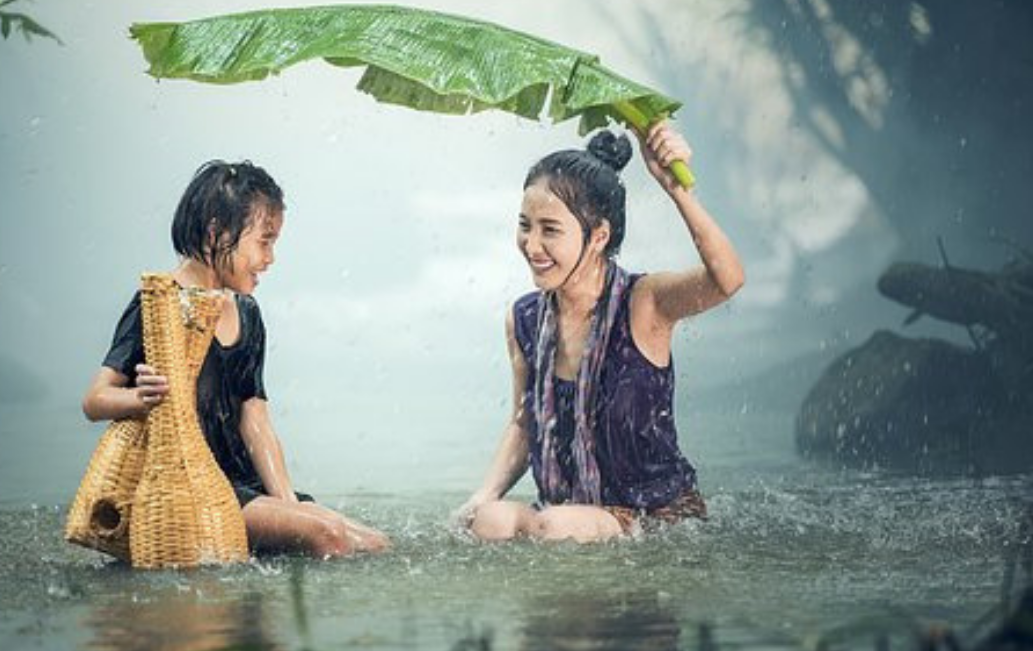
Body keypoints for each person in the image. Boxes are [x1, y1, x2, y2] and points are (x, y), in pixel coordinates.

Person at [82, 160, 390, 559]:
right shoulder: (158, 305)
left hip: (245, 486)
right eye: (265, 241)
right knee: (328, 534)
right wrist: (138, 399)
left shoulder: (247, 313)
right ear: (217, 233)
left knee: (373, 543)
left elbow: (255, 420)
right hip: (194, 489)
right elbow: (94, 400)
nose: (271, 258)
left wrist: (289, 504)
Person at [455, 121, 744, 543]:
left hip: (655, 517)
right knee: (491, 521)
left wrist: (675, 187)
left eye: (549, 230)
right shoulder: (525, 319)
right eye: (525, 225)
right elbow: (524, 422)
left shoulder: (644, 303)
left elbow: (727, 280)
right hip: (568, 514)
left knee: (553, 526)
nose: (531, 246)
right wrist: (483, 494)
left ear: (598, 237)